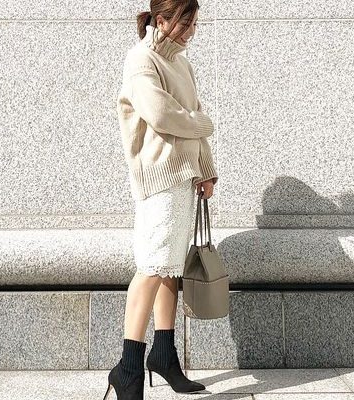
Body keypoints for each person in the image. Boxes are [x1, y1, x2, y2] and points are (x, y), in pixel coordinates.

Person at [104, 1, 218, 398]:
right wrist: (202, 123)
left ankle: (165, 355)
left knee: (170, 267)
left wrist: (206, 168)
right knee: (152, 267)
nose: (191, 31)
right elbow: (162, 115)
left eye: (195, 24)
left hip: (184, 177)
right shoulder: (141, 60)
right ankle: (128, 368)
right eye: (185, 23)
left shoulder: (182, 64)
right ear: (162, 19)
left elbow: (191, 121)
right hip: (158, 179)